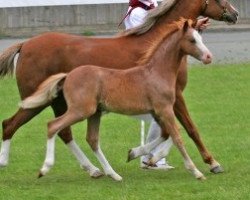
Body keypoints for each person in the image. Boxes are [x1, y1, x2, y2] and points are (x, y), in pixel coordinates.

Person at [122, 0, 210, 170]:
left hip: (154, 66)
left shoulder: (151, 5)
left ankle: (151, 155)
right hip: (143, 66)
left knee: (164, 112)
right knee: (163, 111)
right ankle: (152, 157)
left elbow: (166, 26)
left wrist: (194, 25)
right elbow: (156, 35)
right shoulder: (137, 13)